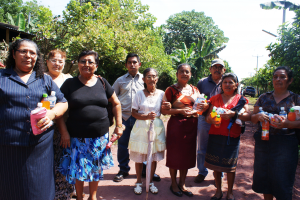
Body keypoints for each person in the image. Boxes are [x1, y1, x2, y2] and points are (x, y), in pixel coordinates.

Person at [0, 39, 68, 200]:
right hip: (8, 147)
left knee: (40, 189)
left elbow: (62, 102)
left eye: (32, 53)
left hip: (40, 148)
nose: (28, 56)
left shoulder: (44, 79)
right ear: (13, 54)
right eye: (23, 51)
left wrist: (51, 114)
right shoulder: (2, 77)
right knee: (10, 188)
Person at [58, 50, 123, 200]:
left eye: (90, 62)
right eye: (83, 61)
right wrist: (64, 132)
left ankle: (93, 197)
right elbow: (59, 109)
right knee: (78, 169)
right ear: (78, 64)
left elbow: (116, 103)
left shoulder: (102, 82)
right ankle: (80, 197)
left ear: (96, 65)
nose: (86, 64)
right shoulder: (70, 84)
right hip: (76, 137)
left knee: (95, 168)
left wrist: (119, 126)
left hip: (99, 137)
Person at [251, 66, 300, 200]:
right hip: (264, 142)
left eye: (282, 77)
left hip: (286, 144)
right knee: (265, 177)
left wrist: (287, 124)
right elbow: (253, 117)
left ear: (290, 80)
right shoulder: (263, 97)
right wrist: (258, 117)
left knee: (282, 179)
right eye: (275, 77)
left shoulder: (295, 99)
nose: (278, 79)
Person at [112, 53, 160, 182]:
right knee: (122, 144)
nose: (132, 64)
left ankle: (146, 170)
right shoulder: (120, 80)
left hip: (142, 118)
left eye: (134, 62)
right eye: (129, 62)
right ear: (126, 65)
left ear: (139, 64)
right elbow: (112, 97)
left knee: (144, 144)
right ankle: (123, 170)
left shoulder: (145, 79)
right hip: (124, 117)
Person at [205, 73, 250, 200]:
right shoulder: (215, 98)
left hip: (232, 136)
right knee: (216, 165)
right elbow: (207, 117)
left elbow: (248, 116)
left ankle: (230, 192)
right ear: (221, 85)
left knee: (230, 167)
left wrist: (233, 115)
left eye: (231, 82)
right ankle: (218, 191)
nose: (227, 85)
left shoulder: (241, 99)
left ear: (236, 85)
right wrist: (212, 120)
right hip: (215, 135)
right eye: (225, 82)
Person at [161, 63, 201, 197]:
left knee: (187, 155)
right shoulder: (170, 90)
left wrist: (201, 108)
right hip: (176, 126)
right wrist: (180, 111)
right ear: (177, 74)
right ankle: (173, 183)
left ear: (190, 74)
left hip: (191, 126)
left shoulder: (195, 90)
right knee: (175, 155)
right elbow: (164, 110)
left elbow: (200, 107)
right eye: (182, 71)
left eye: (187, 72)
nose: (184, 74)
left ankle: (182, 184)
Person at [128, 68, 166, 195]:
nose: (151, 79)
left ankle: (150, 182)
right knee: (139, 156)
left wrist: (169, 107)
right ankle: (138, 182)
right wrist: (146, 117)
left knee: (153, 156)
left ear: (157, 79)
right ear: (143, 79)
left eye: (154, 76)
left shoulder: (162, 93)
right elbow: (133, 113)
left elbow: (165, 110)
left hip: (157, 127)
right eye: (148, 76)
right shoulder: (139, 94)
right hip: (141, 127)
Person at [45, 49, 75, 200]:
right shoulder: (40, 78)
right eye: (54, 60)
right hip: (44, 127)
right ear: (47, 62)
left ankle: (65, 192)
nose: (57, 64)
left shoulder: (69, 79)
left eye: (60, 61)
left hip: (66, 127)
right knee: (46, 161)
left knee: (65, 159)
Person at [195, 58, 226, 183]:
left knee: (220, 146)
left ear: (224, 70)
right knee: (202, 147)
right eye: (215, 67)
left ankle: (219, 173)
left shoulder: (227, 81)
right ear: (210, 69)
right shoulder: (202, 82)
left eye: (220, 67)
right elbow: (197, 99)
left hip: (222, 120)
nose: (217, 69)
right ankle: (202, 172)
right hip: (204, 118)